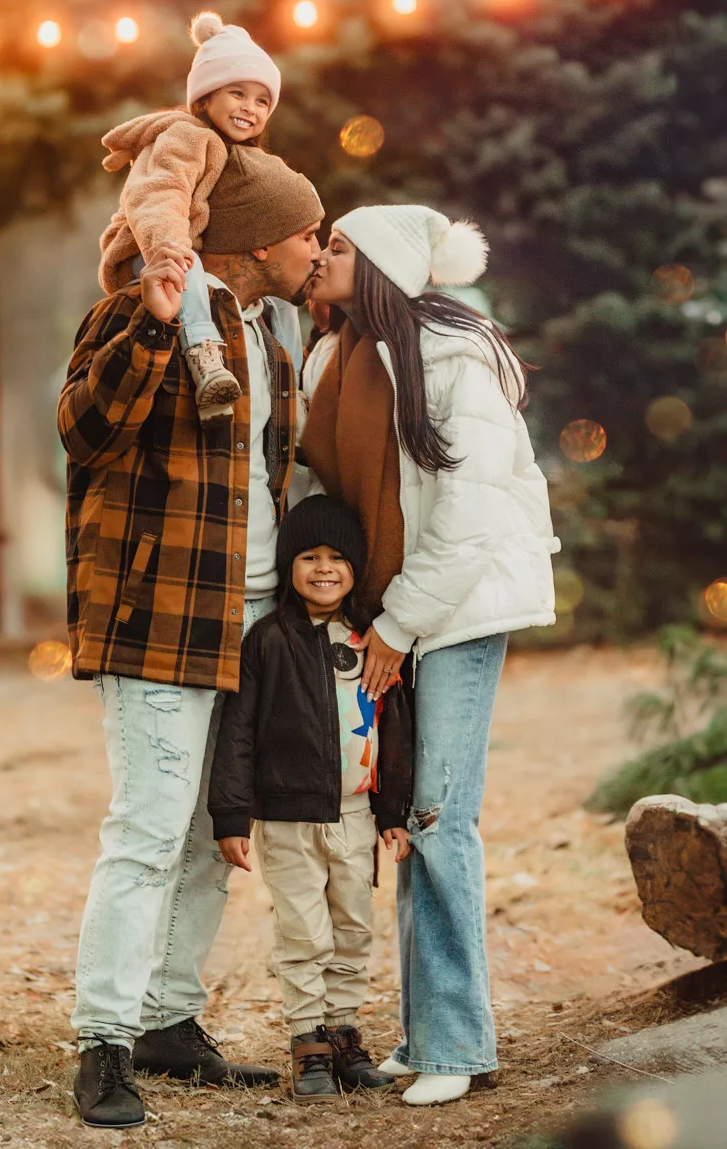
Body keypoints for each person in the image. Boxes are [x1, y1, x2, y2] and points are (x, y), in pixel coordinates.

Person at [58, 146, 324, 1130]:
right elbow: (81, 427)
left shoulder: (269, 335)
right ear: (257, 239)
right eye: (307, 231)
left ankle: (169, 1020)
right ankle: (104, 1043)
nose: (317, 246)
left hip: (252, 624)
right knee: (146, 833)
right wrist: (159, 328)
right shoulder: (144, 310)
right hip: (161, 620)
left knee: (218, 833)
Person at [303, 204, 558, 1107]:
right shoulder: (336, 357)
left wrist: (398, 624)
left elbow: (471, 515)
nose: (321, 255)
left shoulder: (453, 357)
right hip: (392, 614)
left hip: (454, 607)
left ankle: (456, 1042)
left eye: (338, 247)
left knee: (442, 813)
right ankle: (429, 1031)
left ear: (378, 266)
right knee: (407, 816)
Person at [209, 495, 413, 1101]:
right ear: (288, 565)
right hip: (287, 818)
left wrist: (393, 813)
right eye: (308, 556)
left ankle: (346, 1038)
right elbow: (239, 728)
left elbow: (395, 730)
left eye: (336, 557)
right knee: (304, 933)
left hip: (354, 816)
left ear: (355, 565)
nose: (323, 568)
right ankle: (309, 1046)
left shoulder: (373, 638)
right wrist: (231, 812)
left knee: (352, 929)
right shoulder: (268, 640)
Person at [99, 10, 302, 422]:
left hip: (188, 253)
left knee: (281, 299)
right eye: (237, 93)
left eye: (262, 100)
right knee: (186, 264)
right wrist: (171, 247)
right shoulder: (185, 136)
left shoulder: (241, 155)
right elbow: (159, 195)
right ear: (205, 98)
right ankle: (204, 356)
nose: (250, 108)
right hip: (149, 248)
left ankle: (293, 395)